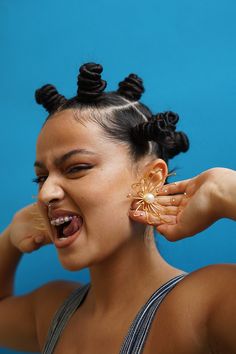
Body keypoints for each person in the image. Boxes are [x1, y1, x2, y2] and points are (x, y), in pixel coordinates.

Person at [0, 62, 235, 354]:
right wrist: (9, 238)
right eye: (41, 177)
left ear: (150, 179)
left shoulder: (206, 306)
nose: (46, 193)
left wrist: (227, 191)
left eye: (76, 168)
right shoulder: (50, 313)